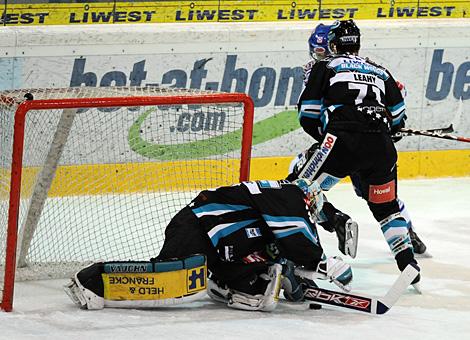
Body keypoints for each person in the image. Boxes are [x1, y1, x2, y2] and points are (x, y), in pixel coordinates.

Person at [65, 179, 355, 312]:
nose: (316, 213)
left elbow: (288, 245)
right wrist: (324, 263)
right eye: (318, 206)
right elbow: (296, 235)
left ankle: (220, 284)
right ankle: (92, 280)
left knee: (258, 291)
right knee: (171, 281)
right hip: (199, 226)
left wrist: (299, 280)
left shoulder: (289, 209)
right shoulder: (289, 194)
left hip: (225, 250)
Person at [292, 19, 421, 283]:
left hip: (341, 142)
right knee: (386, 208)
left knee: (297, 192)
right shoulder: (380, 71)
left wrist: (327, 139)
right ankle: (409, 265)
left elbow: (308, 114)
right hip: (381, 148)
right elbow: (397, 120)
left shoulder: (325, 66)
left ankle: (329, 225)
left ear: (333, 44)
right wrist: (379, 133)